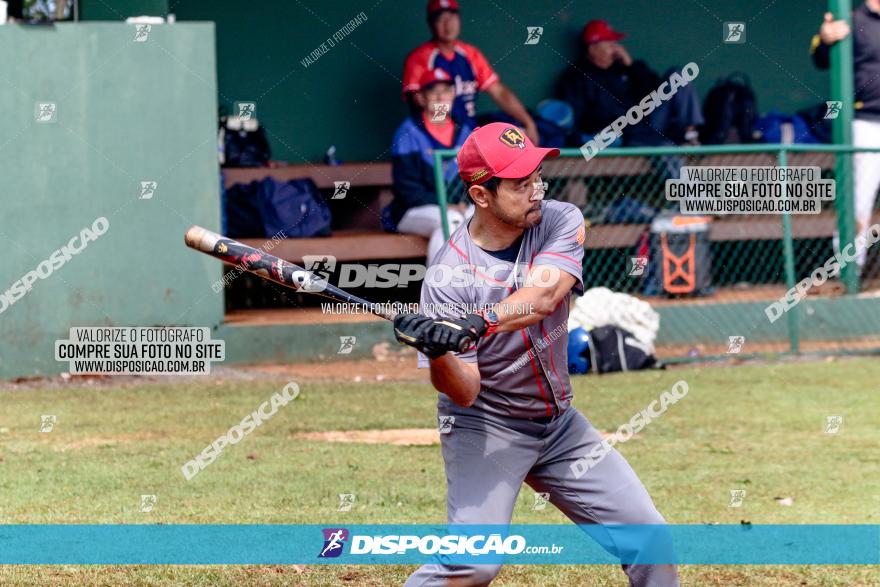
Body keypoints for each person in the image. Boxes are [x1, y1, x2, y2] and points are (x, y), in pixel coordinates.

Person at [392, 122, 679, 587]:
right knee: (472, 566)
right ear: (482, 195)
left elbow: (543, 297)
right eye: (520, 183)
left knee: (651, 541)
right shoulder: (447, 277)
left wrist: (478, 322)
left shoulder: (560, 219)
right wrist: (438, 350)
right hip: (487, 427)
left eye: (536, 177)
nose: (535, 191)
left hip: (560, 424)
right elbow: (463, 392)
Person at [403, 0, 539, 145]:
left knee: (513, 130)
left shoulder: (470, 54)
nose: (448, 25)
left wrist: (527, 121)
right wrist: (445, 136)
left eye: (452, 18)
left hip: (470, 129)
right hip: (440, 134)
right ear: (431, 24)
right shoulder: (420, 57)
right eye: (441, 19)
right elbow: (417, 104)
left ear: (459, 20)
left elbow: (498, 92)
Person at [558, 19, 702, 147]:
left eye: (615, 43)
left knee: (677, 74)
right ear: (592, 49)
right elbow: (580, 119)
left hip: (650, 123)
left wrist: (631, 66)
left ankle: (690, 137)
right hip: (623, 133)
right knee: (664, 148)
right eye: (609, 44)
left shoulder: (624, 68)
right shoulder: (577, 77)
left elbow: (656, 91)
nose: (616, 48)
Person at [811, 2, 880, 271]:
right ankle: (848, 271)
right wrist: (825, 38)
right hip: (867, 123)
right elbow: (820, 57)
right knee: (858, 201)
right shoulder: (850, 19)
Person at [385, 68, 473, 264]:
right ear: (421, 98)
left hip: (460, 207)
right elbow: (407, 190)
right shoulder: (408, 132)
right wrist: (447, 205)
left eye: (446, 90)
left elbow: (475, 176)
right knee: (450, 220)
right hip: (413, 211)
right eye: (434, 92)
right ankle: (438, 291)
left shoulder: (464, 130)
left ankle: (482, 287)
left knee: (487, 220)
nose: (441, 96)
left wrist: (462, 202)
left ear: (453, 95)